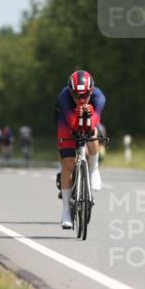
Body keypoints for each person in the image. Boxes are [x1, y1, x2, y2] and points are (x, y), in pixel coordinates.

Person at [56, 69, 105, 229]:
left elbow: (94, 122)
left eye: (85, 95)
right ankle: (66, 211)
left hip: (90, 118)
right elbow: (72, 123)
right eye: (76, 95)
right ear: (70, 92)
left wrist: (88, 123)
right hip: (67, 119)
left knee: (93, 134)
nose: (81, 99)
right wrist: (78, 117)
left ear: (91, 91)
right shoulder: (64, 97)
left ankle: (94, 168)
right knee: (68, 164)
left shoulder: (99, 98)